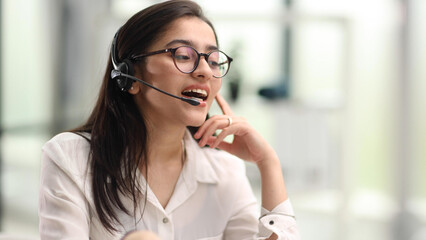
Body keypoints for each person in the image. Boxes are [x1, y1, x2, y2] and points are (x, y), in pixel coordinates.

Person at [38, 1, 300, 239]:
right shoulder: (70, 158)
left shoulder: (225, 172)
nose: (205, 71)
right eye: (183, 55)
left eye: (214, 60)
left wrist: (268, 163)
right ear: (129, 77)